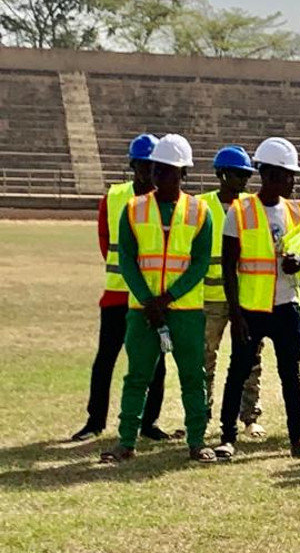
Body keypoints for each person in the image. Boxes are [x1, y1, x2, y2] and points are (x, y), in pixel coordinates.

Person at [99, 135, 215, 463]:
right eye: (158, 171)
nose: (162, 178)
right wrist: (149, 301)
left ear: (184, 174)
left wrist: (166, 299)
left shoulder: (200, 211)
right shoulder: (133, 209)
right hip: (142, 310)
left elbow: (200, 262)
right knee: (137, 376)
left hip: (186, 310)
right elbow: (127, 260)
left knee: (193, 376)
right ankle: (126, 442)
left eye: (171, 172)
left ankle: (196, 441)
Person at [216, 136, 300, 461]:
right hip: (251, 308)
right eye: (287, 174)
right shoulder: (240, 211)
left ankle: (297, 439)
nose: (292, 181)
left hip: (287, 306)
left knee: (291, 374)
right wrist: (235, 314)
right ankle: (227, 438)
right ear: (269, 173)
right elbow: (228, 266)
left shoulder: (294, 211)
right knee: (238, 372)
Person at [71, 134, 172, 443]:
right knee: (106, 358)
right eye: (144, 165)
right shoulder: (114, 198)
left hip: (152, 298)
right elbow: (106, 242)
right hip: (117, 293)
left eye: (155, 165)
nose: (149, 171)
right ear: (133, 165)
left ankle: (149, 422)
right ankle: (94, 421)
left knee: (155, 362)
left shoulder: (168, 201)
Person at [198, 146, 266, 436]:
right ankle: (200, 416)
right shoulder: (199, 206)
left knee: (250, 360)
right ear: (221, 174)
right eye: (238, 174)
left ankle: (249, 416)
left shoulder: (254, 205)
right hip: (210, 298)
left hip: (246, 297)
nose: (244, 180)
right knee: (204, 361)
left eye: (247, 175)